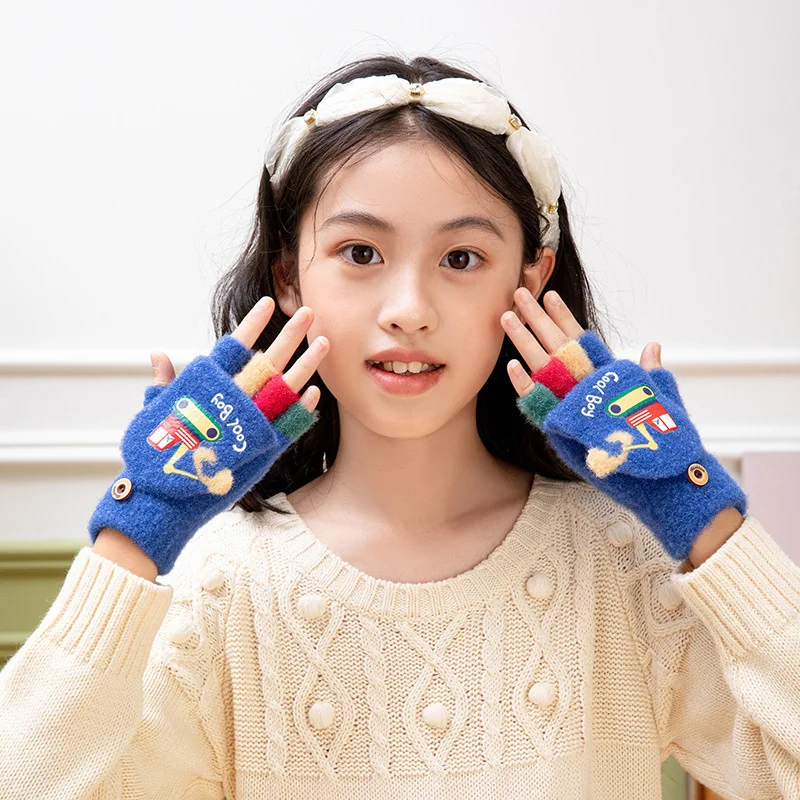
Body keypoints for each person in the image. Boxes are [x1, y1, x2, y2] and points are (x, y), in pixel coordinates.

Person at [1, 53, 798, 799]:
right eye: (359, 252)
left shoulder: (623, 565)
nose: (409, 310)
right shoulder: (223, 584)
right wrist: (135, 534)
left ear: (531, 278)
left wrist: (699, 509)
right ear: (288, 274)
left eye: (461, 260)